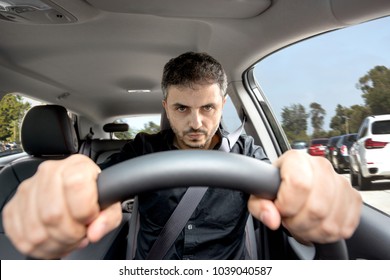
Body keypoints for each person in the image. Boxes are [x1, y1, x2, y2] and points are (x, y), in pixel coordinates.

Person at [2, 52, 362, 260]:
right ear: (165, 107)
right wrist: (72, 189)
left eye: (207, 108)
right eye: (181, 108)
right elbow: (94, 183)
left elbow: (289, 196)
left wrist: (309, 198)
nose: (196, 123)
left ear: (222, 105)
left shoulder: (248, 155)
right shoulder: (142, 149)